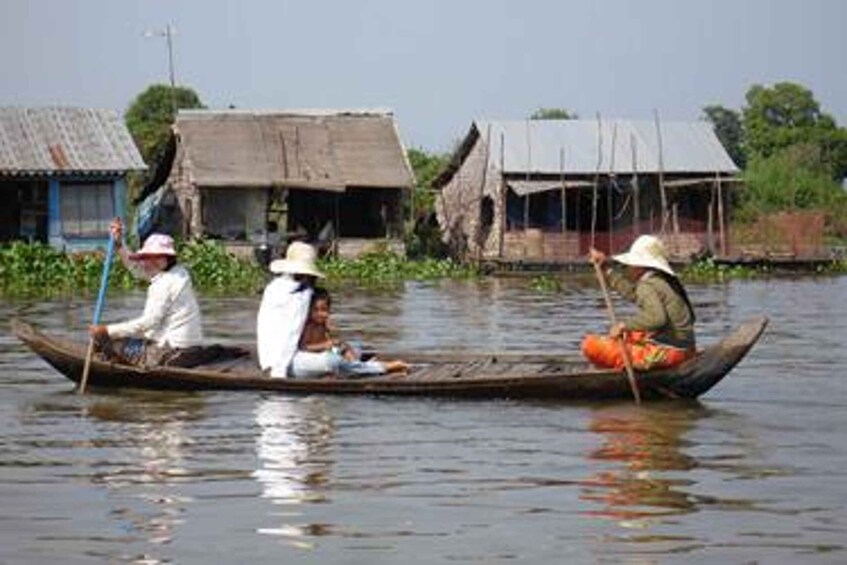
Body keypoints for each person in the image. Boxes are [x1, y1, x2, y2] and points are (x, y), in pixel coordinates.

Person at [89, 218, 204, 366]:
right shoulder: (180, 273)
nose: (144, 263)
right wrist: (119, 244)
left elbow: (147, 323)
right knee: (119, 340)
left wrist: (106, 330)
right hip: (190, 348)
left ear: (164, 259)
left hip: (171, 351)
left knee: (110, 344)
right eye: (145, 258)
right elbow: (137, 269)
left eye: (150, 258)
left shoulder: (163, 283)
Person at [582, 235, 696, 371]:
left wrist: (623, 325)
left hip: (669, 353)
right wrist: (607, 270)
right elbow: (633, 294)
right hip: (686, 349)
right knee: (631, 335)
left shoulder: (647, 285)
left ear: (640, 266)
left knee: (590, 345)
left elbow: (657, 318)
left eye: (630, 264)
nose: (628, 267)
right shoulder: (663, 281)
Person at [299, 287, 408, 377]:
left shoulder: (323, 324)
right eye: (316, 310)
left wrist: (332, 341)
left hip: (326, 354)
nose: (320, 314)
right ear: (309, 311)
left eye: (324, 310)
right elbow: (304, 347)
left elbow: (329, 339)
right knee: (341, 357)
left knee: (347, 347)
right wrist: (325, 345)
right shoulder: (309, 326)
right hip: (314, 356)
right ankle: (379, 367)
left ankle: (358, 364)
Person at [256, 241, 325, 378]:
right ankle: (371, 368)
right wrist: (279, 371)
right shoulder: (301, 295)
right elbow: (291, 334)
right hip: (285, 362)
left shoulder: (273, 286)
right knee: (332, 361)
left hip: (266, 359)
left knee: (351, 350)